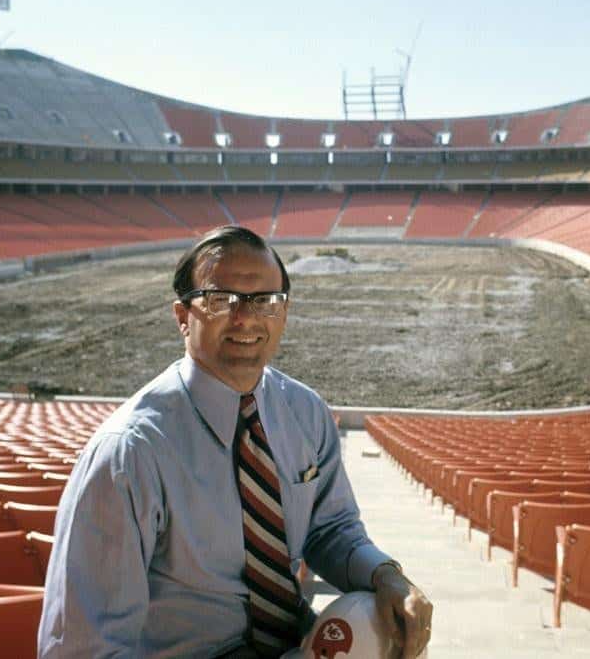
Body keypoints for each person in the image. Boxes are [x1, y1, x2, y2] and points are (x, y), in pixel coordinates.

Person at [38, 225, 432, 658]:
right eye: (220, 300)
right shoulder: (129, 454)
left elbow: (330, 529)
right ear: (182, 317)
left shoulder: (305, 412)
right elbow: (84, 649)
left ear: (284, 313)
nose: (246, 318)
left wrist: (384, 574)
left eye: (265, 301)